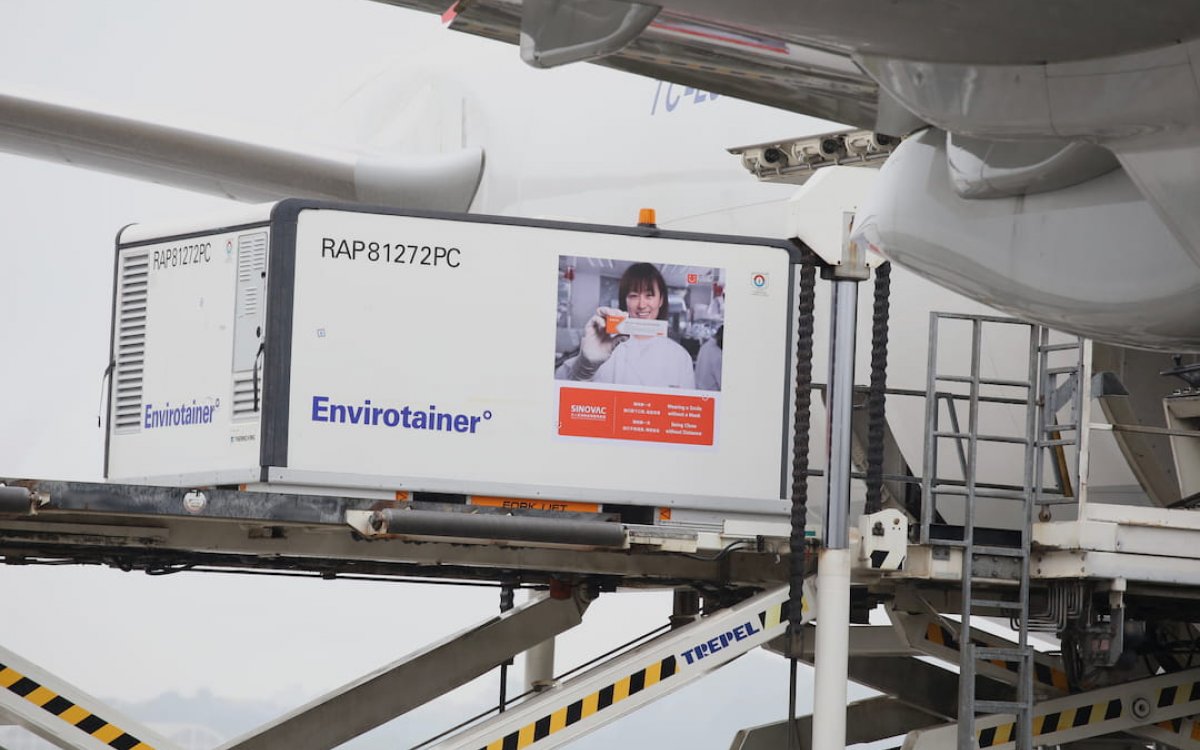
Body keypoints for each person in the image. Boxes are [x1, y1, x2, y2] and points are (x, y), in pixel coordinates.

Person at [566, 262, 696, 389]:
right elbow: (566, 393)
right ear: (625, 301)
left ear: (661, 300)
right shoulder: (603, 345)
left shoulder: (680, 357)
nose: (641, 305)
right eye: (633, 296)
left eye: (649, 295)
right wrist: (584, 367)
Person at [694, 324, 723, 391]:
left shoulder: (705, 347)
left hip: (700, 391)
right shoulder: (717, 352)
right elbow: (722, 383)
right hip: (712, 394)